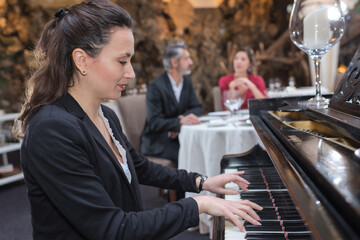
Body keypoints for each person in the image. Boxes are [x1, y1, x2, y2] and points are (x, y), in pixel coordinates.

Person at [14, 1, 262, 239]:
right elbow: (113, 229)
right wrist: (198, 205)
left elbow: (139, 167)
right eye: (122, 61)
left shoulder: (106, 115)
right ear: (82, 60)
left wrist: (200, 181)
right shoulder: (51, 130)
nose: (131, 72)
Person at [141, 41, 203, 164]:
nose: (191, 62)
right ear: (174, 62)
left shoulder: (187, 82)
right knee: (191, 153)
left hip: (178, 137)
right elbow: (154, 123)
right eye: (186, 58)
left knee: (201, 148)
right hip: (157, 142)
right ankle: (195, 183)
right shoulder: (155, 86)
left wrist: (181, 119)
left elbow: (198, 108)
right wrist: (178, 122)